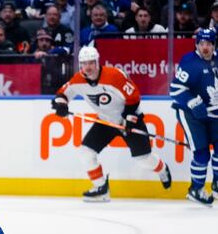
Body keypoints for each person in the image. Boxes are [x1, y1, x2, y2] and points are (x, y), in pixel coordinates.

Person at [51, 45, 172, 201]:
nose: (87, 67)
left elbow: (133, 96)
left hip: (128, 118)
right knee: (86, 152)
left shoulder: (114, 76)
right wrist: (61, 104)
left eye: (91, 62)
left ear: (97, 62)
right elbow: (62, 93)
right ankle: (101, 188)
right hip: (105, 121)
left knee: (143, 159)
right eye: (84, 63)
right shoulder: (78, 80)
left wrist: (129, 119)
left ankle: (162, 169)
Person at [170, 29, 218, 206]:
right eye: (201, 43)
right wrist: (192, 102)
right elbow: (175, 90)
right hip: (190, 113)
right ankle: (196, 188)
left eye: (208, 43)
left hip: (213, 111)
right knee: (202, 153)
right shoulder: (189, 62)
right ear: (196, 44)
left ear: (214, 45)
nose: (205, 47)